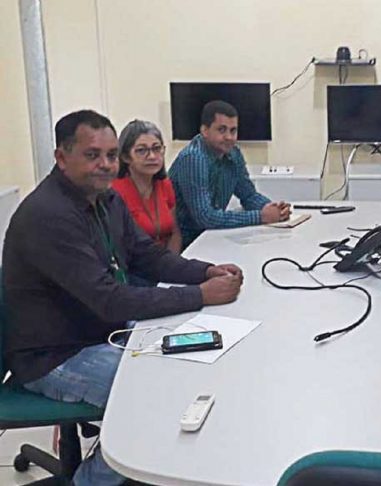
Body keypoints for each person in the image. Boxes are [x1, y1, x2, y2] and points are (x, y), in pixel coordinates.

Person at [2, 110, 244, 486]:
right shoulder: (49, 216)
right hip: (54, 355)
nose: (105, 164)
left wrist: (205, 272)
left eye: (112, 155)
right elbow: (110, 300)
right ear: (62, 157)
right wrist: (200, 295)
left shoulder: (105, 199)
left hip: (100, 331)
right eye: (92, 155)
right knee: (159, 399)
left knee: (196, 367)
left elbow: (147, 256)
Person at [169, 100, 291, 248]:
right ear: (204, 130)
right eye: (222, 130)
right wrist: (261, 216)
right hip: (185, 243)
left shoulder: (234, 153)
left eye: (233, 130)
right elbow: (205, 217)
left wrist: (271, 208)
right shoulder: (194, 158)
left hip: (213, 235)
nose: (229, 137)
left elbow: (248, 195)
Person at [112, 119, 182, 253]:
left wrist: (172, 261)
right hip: (135, 262)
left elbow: (175, 233)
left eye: (157, 148)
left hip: (167, 259)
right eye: (141, 150)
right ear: (126, 157)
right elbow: (120, 245)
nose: (152, 156)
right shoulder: (115, 192)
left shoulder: (164, 184)